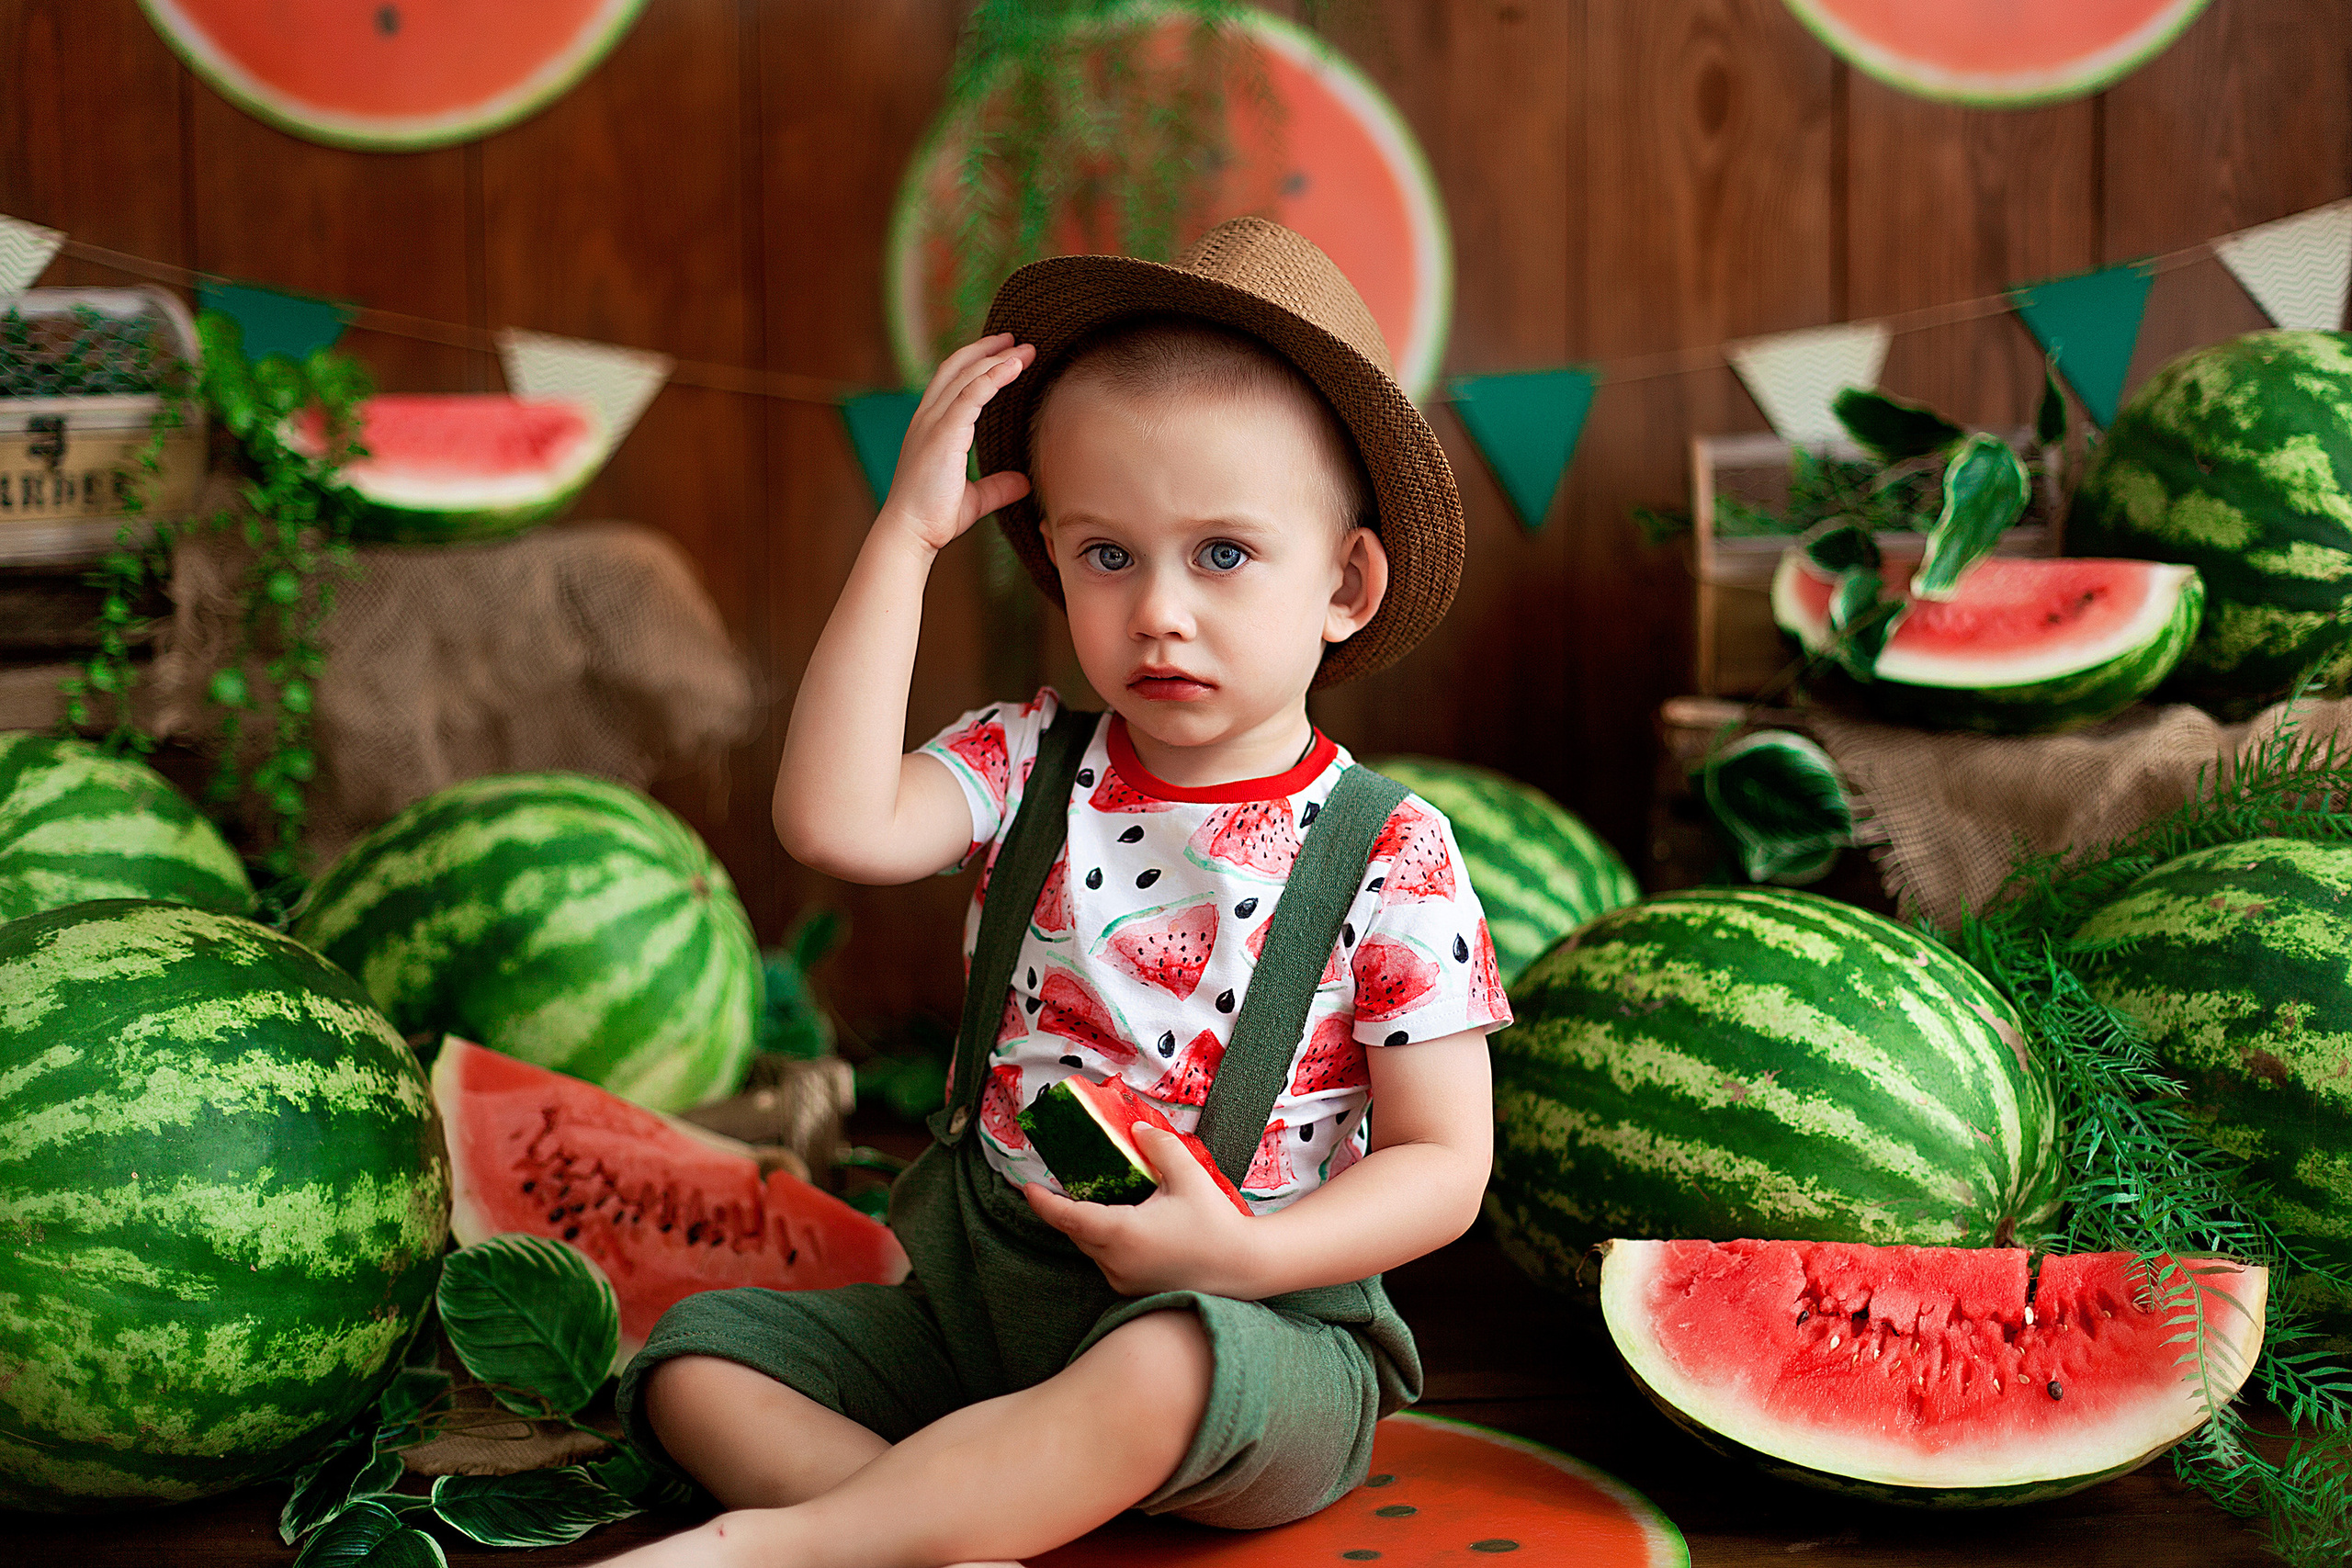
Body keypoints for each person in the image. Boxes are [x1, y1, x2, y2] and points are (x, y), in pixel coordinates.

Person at [595, 217, 1509, 1568]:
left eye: (1221, 555)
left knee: (1160, 1370)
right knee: (697, 1365)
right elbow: (829, 818)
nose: (1158, 614)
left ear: (1346, 583)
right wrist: (906, 541)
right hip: (987, 1310)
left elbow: (1448, 1165)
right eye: (1107, 554)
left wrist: (1240, 1262)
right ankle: (956, 1529)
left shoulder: (1393, 850)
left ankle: (782, 1550)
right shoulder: (1030, 761)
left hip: (1259, 1337)